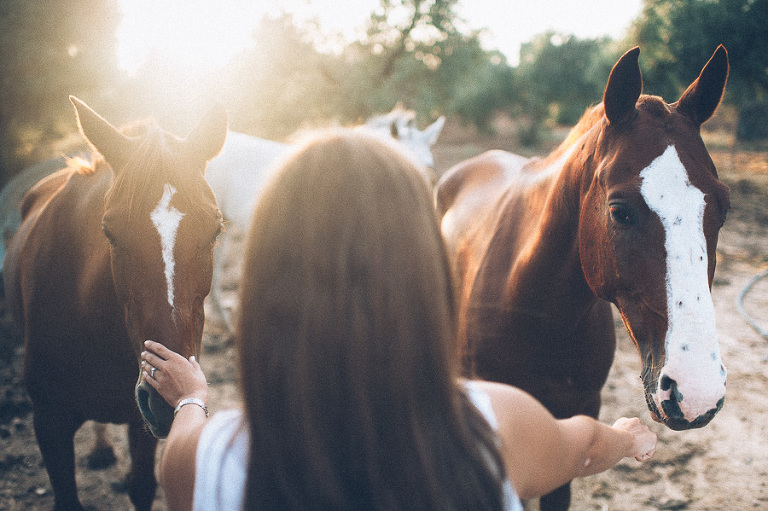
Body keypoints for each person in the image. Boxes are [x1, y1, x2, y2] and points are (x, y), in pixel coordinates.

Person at [140, 130, 657, 511]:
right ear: (426, 270)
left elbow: (187, 429)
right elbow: (585, 445)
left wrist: (191, 397)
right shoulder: (496, 426)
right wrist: (628, 437)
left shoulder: (197, 464)